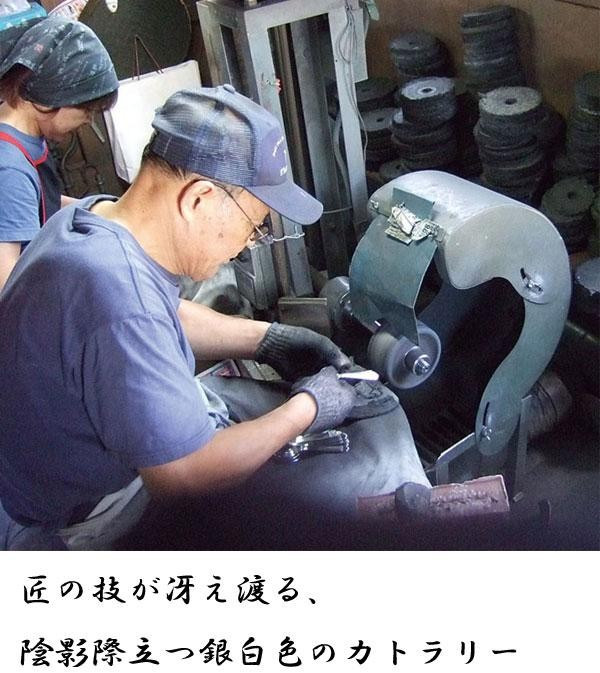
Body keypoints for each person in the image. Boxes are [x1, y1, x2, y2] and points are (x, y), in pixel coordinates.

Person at [0, 85, 431, 550]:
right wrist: (308, 408)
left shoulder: (92, 223)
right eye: (254, 225)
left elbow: (160, 316)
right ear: (199, 199)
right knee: (332, 510)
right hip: (80, 514)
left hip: (53, 461)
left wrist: (266, 339)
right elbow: (184, 478)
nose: (247, 244)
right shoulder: (122, 302)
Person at [0, 15, 119, 289]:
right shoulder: (10, 169)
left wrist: (103, 211)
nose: (88, 121)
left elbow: (37, 201)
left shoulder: (26, 134)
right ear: (51, 97)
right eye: (86, 110)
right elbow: (7, 286)